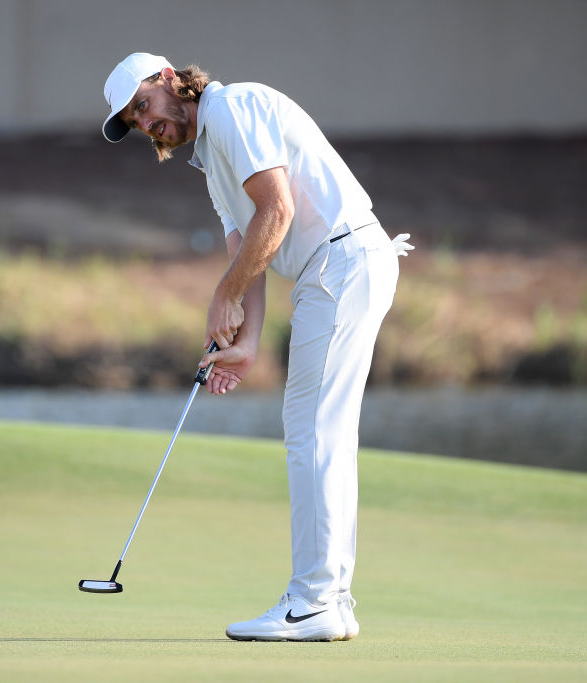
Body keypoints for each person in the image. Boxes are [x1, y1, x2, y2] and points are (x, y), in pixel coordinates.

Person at [101, 52, 413, 642]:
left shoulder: (233, 108)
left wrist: (226, 294)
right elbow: (252, 246)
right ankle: (332, 600)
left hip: (342, 261)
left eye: (144, 106)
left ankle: (315, 600)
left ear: (171, 80)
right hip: (334, 269)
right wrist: (245, 341)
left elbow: (279, 210)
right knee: (322, 434)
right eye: (136, 123)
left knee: (314, 432)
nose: (148, 124)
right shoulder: (210, 154)